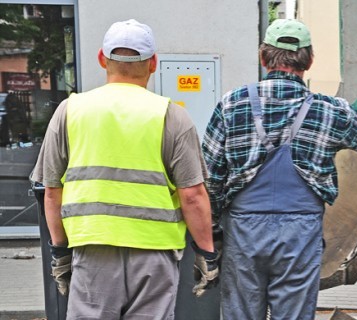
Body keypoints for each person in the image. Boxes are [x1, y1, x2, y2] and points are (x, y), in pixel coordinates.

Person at [202, 18, 357, 320]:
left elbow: (209, 178)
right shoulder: (329, 110)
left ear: (263, 57)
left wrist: (211, 235)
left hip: (244, 232)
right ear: (310, 60)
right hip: (300, 233)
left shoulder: (230, 105)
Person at [31, 19, 219, 319]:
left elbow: (52, 193)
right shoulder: (172, 116)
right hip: (154, 255)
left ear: (102, 59)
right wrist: (206, 252)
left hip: (93, 250)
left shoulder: (70, 111)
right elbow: (193, 196)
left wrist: (60, 252)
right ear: (154, 63)